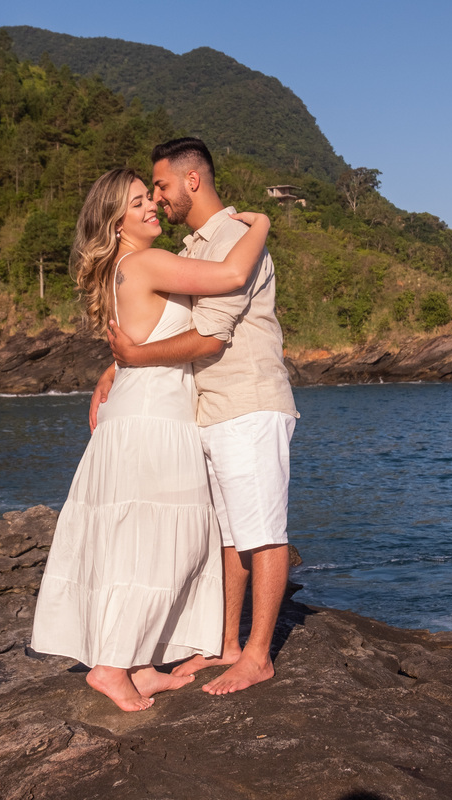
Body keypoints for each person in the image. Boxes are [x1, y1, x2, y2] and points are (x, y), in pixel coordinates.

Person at [30, 167, 272, 712]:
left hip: (135, 415)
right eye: (137, 203)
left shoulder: (118, 271)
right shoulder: (147, 262)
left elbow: (134, 345)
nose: (151, 208)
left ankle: (138, 664)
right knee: (167, 545)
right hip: (154, 423)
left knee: (136, 540)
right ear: (116, 221)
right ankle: (112, 668)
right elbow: (234, 274)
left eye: (150, 198)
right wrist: (260, 220)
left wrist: (111, 372)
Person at [93, 138, 299, 696]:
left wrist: (135, 359)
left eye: (159, 186)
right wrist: (118, 368)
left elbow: (211, 336)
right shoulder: (195, 246)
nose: (156, 199)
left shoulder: (233, 238)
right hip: (207, 408)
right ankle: (228, 645)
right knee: (231, 534)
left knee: (262, 531)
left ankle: (257, 656)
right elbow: (159, 322)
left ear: (191, 180)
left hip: (247, 401)